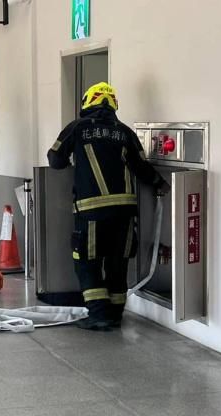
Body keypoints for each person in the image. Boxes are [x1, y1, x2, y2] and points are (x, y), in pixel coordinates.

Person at [48, 82, 169, 330]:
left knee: (86, 261)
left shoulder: (77, 128)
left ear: (87, 102)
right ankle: (115, 313)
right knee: (117, 262)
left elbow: (55, 160)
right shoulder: (125, 133)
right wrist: (160, 183)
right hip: (124, 213)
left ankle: (99, 314)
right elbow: (141, 168)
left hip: (91, 211)